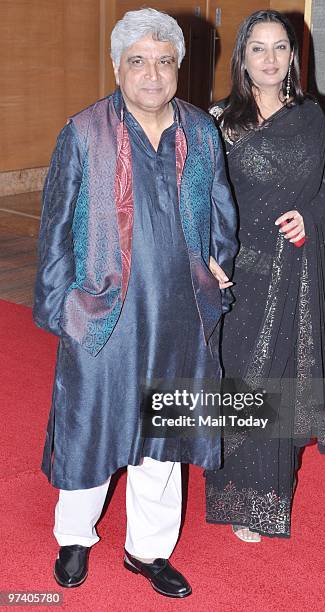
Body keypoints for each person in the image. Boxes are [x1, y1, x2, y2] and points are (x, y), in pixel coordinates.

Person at [33, 8, 237, 597]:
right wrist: (63, 309)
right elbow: (55, 227)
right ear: (117, 66)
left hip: (179, 312)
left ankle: (147, 552)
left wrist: (218, 260)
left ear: (179, 67)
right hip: (104, 315)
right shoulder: (84, 132)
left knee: (164, 439)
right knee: (90, 428)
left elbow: (222, 212)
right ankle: (75, 536)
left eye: (164, 61)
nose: (152, 75)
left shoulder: (200, 132)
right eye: (139, 61)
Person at [205, 10, 325, 542]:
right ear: (243, 56)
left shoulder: (313, 114)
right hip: (236, 271)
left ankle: (265, 499)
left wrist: (309, 218)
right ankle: (229, 487)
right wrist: (208, 256)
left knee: (279, 379)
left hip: (293, 272)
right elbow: (200, 197)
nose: (269, 59)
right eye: (258, 48)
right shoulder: (219, 119)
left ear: (293, 55)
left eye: (280, 47)